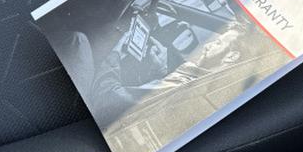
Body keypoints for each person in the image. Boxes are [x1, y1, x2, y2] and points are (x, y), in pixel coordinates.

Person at [89, 22, 257, 123]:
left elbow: (107, 97)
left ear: (232, 56)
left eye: (218, 43)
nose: (208, 45)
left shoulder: (185, 84)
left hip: (100, 113)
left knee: (78, 40)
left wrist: (114, 53)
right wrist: (160, 71)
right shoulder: (207, 84)